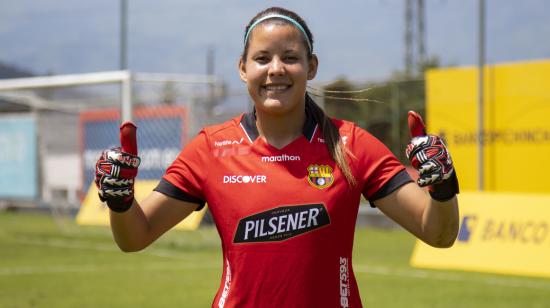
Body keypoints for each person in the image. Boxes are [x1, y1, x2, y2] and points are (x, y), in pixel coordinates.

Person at [95, 6, 459, 308]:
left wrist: (442, 187)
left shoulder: (352, 144)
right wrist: (121, 200)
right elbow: (135, 238)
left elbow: (438, 234)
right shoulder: (210, 149)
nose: (275, 70)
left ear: (311, 66)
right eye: (262, 58)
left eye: (290, 58)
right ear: (243, 68)